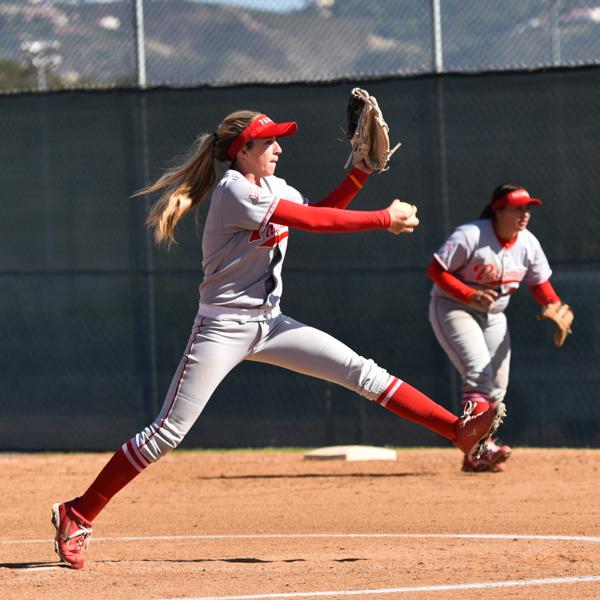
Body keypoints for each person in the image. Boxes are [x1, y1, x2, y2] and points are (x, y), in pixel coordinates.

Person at [51, 110, 502, 569]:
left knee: (363, 372)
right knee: (166, 433)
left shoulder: (274, 187)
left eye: (277, 140)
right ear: (241, 151)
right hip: (222, 327)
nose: (279, 148)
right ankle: (78, 512)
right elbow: (315, 224)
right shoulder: (232, 190)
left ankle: (457, 431)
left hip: (271, 322)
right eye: (268, 142)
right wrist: (384, 217)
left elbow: (321, 210)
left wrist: (361, 173)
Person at [427, 183, 566, 473]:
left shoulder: (528, 243)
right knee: (479, 373)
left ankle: (475, 455)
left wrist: (553, 304)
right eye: (518, 208)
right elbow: (436, 271)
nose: (525, 214)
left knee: (497, 388)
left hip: (494, 315)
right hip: (454, 308)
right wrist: (468, 294)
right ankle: (478, 447)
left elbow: (540, 284)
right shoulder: (472, 235)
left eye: (528, 208)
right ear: (498, 210)